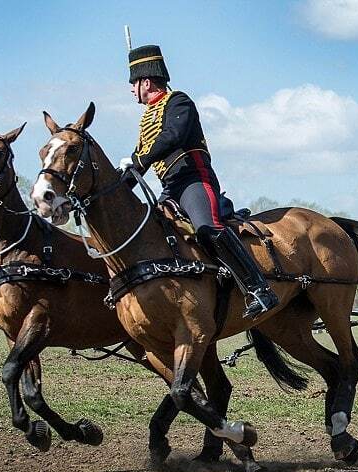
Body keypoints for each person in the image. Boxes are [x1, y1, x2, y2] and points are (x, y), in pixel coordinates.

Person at [118, 44, 278, 318]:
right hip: (169, 187)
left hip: (193, 180)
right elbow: (139, 161)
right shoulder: (146, 119)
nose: (132, 90)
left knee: (207, 228)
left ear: (146, 81)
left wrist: (141, 160)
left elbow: (173, 137)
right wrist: (117, 192)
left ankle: (258, 289)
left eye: (133, 84)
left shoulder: (178, 102)